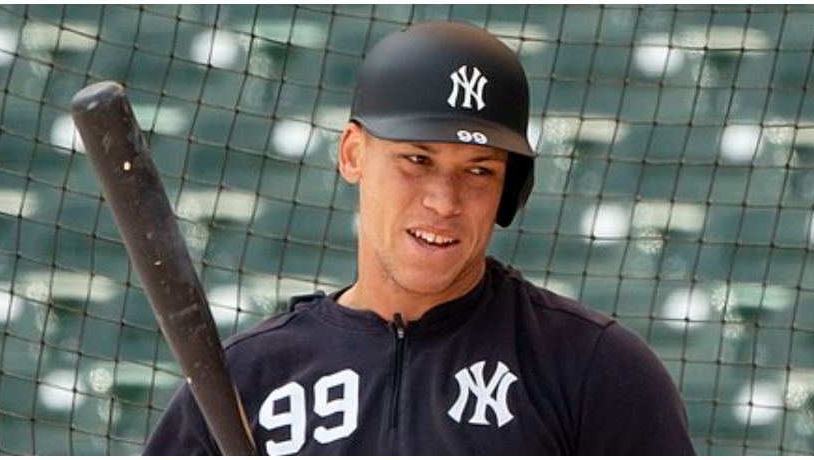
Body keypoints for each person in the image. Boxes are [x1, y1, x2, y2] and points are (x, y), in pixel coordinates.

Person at [144, 21, 696, 455]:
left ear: (509, 188)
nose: (444, 201)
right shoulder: (247, 380)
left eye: (479, 170)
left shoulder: (594, 369)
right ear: (353, 154)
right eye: (416, 159)